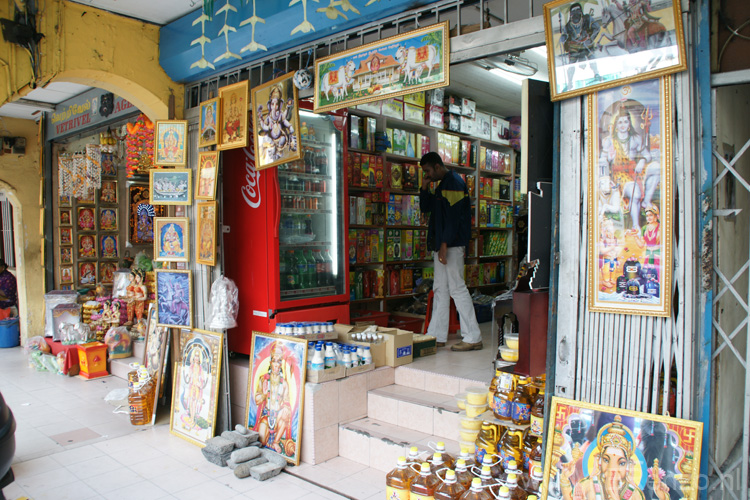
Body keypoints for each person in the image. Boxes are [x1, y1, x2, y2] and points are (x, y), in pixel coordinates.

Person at [419, 152, 482, 351]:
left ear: (438, 167)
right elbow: (425, 207)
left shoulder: (453, 182)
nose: (427, 174)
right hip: (443, 244)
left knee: (456, 288)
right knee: (440, 288)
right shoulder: (442, 184)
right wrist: (424, 186)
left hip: (451, 245)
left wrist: (444, 245)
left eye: (428, 171)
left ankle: (473, 337)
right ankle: (436, 335)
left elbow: (454, 218)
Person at [558, 415, 670, 500]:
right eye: (606, 460)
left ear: (628, 465)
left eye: (621, 463)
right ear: (599, 461)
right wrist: (564, 480)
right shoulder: (587, 484)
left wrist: (663, 496)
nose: (613, 469)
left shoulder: (634, 493)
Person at [253, 341, 294, 455]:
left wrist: (285, 409)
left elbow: (286, 401)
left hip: (278, 416)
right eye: (274, 361)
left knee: (285, 415)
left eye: (279, 361)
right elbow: (257, 399)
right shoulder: (264, 379)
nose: (276, 365)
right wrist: (264, 394)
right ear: (270, 362)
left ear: (281, 364)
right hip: (267, 416)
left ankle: (276, 441)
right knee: (261, 441)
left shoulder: (284, 383)